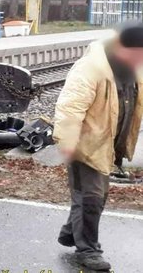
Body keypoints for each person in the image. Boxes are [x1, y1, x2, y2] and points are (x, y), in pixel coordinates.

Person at [54, 24, 143, 271]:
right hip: (85, 145)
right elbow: (70, 107)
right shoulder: (91, 68)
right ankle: (89, 251)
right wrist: (68, 143)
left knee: (92, 195)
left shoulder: (133, 69)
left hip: (108, 145)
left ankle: (71, 231)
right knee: (92, 197)